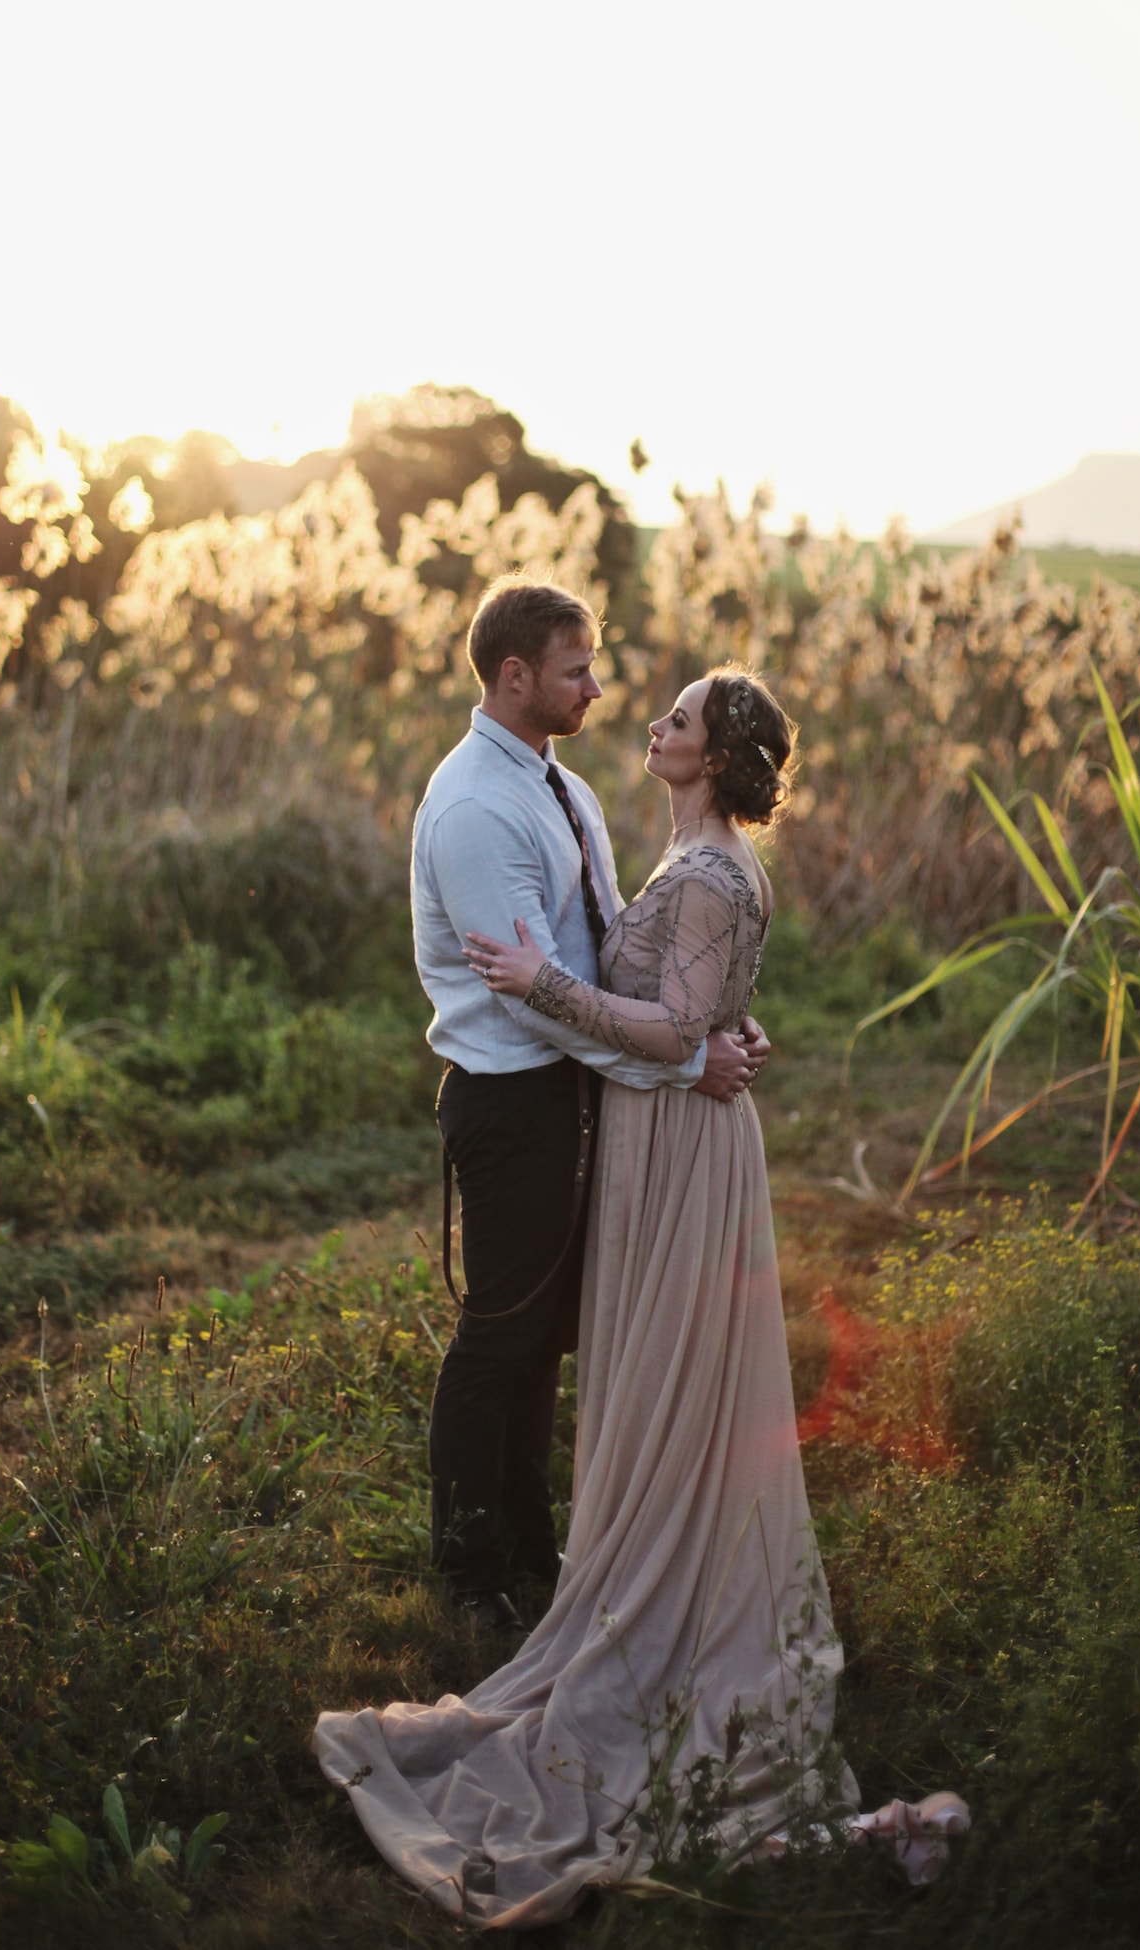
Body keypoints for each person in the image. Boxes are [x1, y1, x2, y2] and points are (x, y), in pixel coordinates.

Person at [314, 664, 968, 1926]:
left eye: (676, 716)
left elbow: (671, 1029)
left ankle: (666, 1604)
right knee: (639, 1375)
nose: (650, 721)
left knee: (671, 1377)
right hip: (655, 1136)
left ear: (715, 757)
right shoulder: (675, 854)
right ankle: (609, 1568)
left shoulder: (716, 871)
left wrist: (540, 983)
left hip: (678, 1150)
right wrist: (716, 1027)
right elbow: (692, 1018)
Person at [405, 577, 767, 1634]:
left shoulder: (560, 787)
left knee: (544, 1336)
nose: (599, 689)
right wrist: (679, 1062)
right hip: (513, 1100)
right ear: (515, 676)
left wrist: (711, 1019)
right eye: (577, 671)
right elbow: (532, 1000)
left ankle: (529, 1545)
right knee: (498, 1336)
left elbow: (602, 950)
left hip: (576, 1091)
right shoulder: (476, 807)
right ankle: (472, 1577)